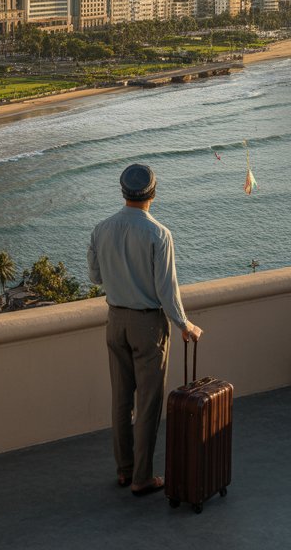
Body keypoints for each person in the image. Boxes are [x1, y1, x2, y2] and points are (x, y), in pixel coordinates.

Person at [88, 163, 202, 496]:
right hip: (148, 325)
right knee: (149, 403)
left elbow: (96, 278)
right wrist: (185, 325)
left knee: (121, 400)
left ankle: (123, 471)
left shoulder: (101, 229)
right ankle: (142, 477)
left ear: (123, 192)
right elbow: (167, 292)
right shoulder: (159, 234)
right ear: (153, 193)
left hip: (115, 321)